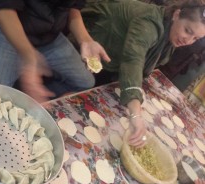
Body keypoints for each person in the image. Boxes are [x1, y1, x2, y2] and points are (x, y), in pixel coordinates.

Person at [81, 0, 205, 147]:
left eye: (195, 38)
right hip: (90, 51)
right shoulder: (150, 22)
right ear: (177, 15)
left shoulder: (171, 31)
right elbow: (132, 60)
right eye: (188, 31)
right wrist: (135, 113)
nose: (188, 41)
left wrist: (135, 93)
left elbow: (145, 65)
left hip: (111, 66)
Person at [0, 0, 109, 104]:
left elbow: (73, 7)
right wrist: (29, 57)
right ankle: (14, 94)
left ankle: (23, 98)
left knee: (85, 83)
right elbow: (4, 9)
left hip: (47, 34)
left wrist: (85, 39)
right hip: (0, 26)